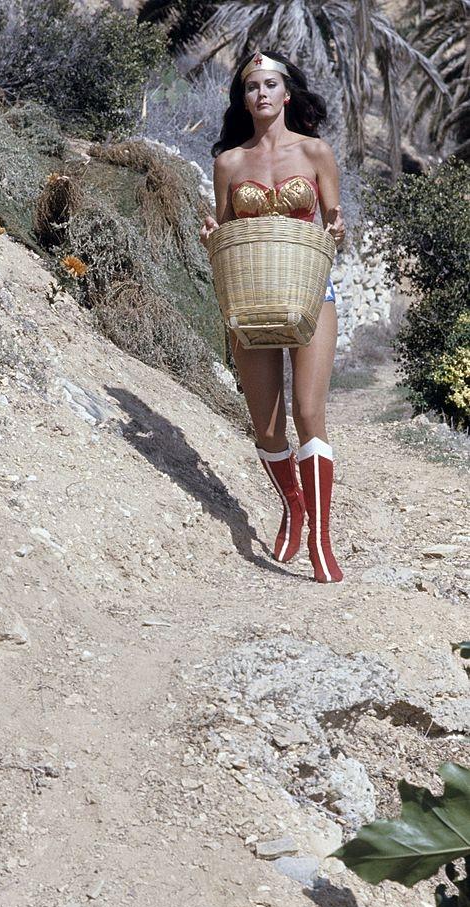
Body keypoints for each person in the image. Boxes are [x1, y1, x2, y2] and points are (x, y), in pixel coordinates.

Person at [200, 50, 346, 584]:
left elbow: (332, 218)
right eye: (251, 87)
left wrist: (335, 230)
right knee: (265, 426)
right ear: (244, 100)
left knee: (309, 411)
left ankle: (320, 540)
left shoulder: (315, 152)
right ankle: (293, 505)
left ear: (287, 94)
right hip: (250, 296)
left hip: (312, 292)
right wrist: (211, 234)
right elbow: (222, 227)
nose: (260, 94)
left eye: (270, 85)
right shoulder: (228, 164)